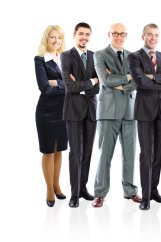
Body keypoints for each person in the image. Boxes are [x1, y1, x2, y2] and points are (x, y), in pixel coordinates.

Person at [92, 23, 141, 208]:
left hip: (129, 110)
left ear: (126, 35)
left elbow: (138, 81)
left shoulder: (133, 56)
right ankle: (99, 193)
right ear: (109, 34)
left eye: (122, 34)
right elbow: (105, 80)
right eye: (115, 34)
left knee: (129, 155)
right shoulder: (99, 55)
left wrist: (123, 81)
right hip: (108, 112)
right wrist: (128, 76)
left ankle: (130, 191)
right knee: (105, 155)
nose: (118, 37)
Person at [127, 23, 161, 210]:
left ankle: (154, 191)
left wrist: (153, 77)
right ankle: (145, 197)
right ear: (143, 36)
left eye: (156, 35)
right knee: (146, 153)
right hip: (144, 111)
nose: (153, 38)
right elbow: (139, 82)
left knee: (159, 153)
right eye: (149, 35)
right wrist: (160, 78)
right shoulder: (134, 56)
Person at [61, 22, 99, 208]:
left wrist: (85, 85)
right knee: (76, 153)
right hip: (73, 111)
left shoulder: (95, 56)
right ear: (74, 35)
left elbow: (100, 86)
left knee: (88, 153)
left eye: (87, 34)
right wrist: (91, 81)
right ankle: (74, 194)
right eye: (81, 34)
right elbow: (69, 86)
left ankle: (83, 188)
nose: (84, 37)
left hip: (91, 110)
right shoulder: (66, 56)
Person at [34, 25, 67, 207]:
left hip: (63, 110)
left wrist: (58, 83)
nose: (56, 41)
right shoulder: (40, 60)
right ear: (46, 39)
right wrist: (65, 85)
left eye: (59, 38)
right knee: (48, 150)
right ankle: (48, 189)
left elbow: (74, 83)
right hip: (46, 111)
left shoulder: (64, 58)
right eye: (52, 37)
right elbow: (44, 87)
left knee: (59, 149)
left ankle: (57, 185)